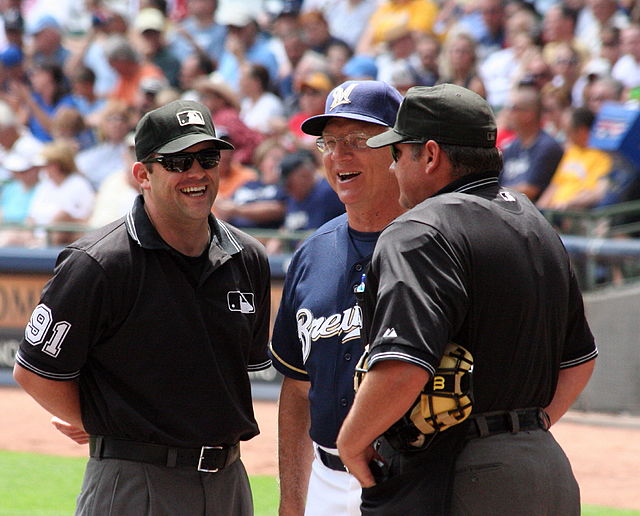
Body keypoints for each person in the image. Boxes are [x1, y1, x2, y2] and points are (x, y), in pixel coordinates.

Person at [336, 84, 598, 516]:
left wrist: (352, 441)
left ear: (432, 155)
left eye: (399, 153)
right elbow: (579, 360)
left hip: (460, 473)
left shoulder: (420, 229)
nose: (394, 164)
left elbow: (403, 366)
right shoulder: (534, 221)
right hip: (545, 466)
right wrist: (525, 429)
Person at [13, 99, 272, 516]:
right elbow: (34, 371)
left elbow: (234, 367)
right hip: (136, 481)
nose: (197, 173)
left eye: (207, 158)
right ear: (142, 175)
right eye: (176, 162)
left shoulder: (248, 257)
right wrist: (98, 419)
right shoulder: (98, 263)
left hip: (229, 482)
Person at [269, 80, 404, 516]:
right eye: (329, 143)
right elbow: (296, 389)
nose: (339, 156)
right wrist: (292, 500)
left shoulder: (437, 246)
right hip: (325, 482)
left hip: (413, 479)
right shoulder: (312, 253)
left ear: (398, 147)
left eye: (358, 140)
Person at [499, 84, 565, 202]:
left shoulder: (547, 147)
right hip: (507, 207)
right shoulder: (511, 146)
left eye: (513, 108)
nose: (507, 113)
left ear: (529, 114)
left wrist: (493, 195)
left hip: (530, 213)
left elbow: (529, 191)